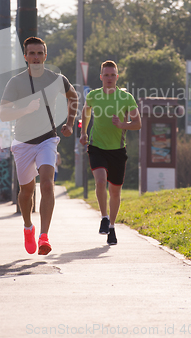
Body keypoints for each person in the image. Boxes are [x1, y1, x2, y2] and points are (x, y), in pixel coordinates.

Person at [0, 37, 78, 255]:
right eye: (31, 53)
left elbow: (74, 97)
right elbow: (4, 113)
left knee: (46, 185)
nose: (35, 57)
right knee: (26, 192)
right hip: (23, 142)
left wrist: (70, 123)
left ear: (46, 55)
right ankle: (28, 227)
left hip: (47, 139)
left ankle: (44, 236)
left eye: (39, 53)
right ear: (25, 57)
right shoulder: (15, 82)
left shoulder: (57, 79)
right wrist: (25, 109)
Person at [79, 60, 141, 246]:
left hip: (117, 150)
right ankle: (104, 217)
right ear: (101, 77)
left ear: (117, 77)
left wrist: (123, 125)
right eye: (106, 75)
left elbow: (137, 124)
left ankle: (112, 227)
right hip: (97, 146)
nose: (109, 78)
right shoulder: (93, 95)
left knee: (115, 191)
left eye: (112, 75)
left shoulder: (126, 97)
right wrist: (83, 133)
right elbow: (86, 113)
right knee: (100, 181)